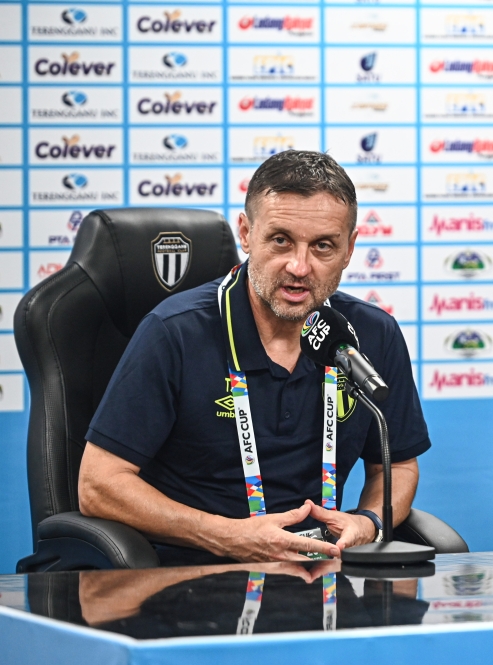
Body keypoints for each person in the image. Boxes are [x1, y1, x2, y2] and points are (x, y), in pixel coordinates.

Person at [78, 150, 431, 564]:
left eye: (323, 247)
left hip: (320, 573)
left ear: (350, 249)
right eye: (281, 240)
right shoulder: (174, 332)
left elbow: (399, 466)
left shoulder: (371, 334)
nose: (300, 267)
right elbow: (98, 485)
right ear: (246, 234)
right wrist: (226, 535)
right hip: (195, 574)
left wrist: (368, 522)